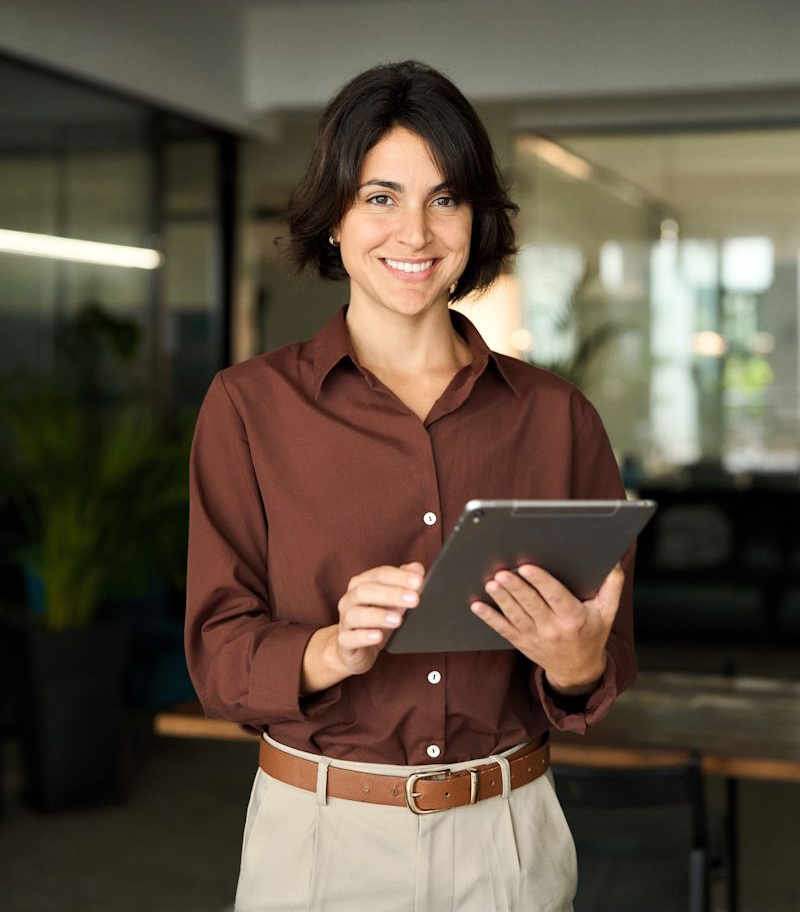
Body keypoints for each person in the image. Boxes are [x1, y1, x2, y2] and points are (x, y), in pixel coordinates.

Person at [185, 60, 635, 912]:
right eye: (381, 196)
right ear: (335, 219)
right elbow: (216, 651)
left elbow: (605, 643)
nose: (415, 232)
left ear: (477, 219)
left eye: (446, 197)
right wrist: (329, 648)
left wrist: (578, 666)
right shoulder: (248, 407)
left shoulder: (557, 417)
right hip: (320, 838)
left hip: (508, 837)